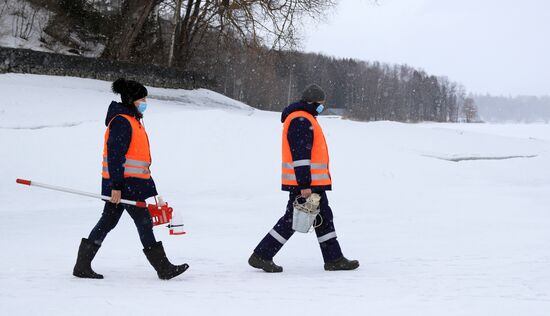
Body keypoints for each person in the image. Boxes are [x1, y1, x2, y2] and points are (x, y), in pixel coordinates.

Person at [72, 78, 189, 280]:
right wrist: (116, 187)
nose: (145, 102)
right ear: (131, 100)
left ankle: (82, 266)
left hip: (131, 183)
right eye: (141, 98)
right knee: (143, 222)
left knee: (108, 221)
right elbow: (115, 156)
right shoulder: (122, 122)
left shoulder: (133, 121)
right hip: (124, 184)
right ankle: (164, 268)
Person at [248, 84, 359, 272]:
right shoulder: (300, 119)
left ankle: (334, 258)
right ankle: (262, 255)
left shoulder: (305, 117)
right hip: (306, 184)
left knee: (323, 218)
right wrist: (304, 184)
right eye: (321, 104)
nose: (322, 108)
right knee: (293, 220)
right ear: (312, 102)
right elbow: (300, 155)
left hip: (312, 183)